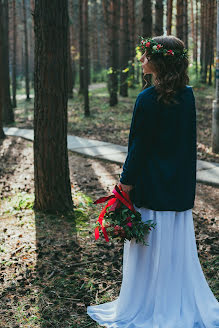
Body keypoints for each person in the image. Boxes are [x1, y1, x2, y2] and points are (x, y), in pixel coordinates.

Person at [87, 35, 219, 327]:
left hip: (151, 186)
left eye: (146, 55)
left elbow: (139, 147)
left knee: (149, 249)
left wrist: (126, 183)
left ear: (159, 61)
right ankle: (174, 301)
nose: (141, 60)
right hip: (178, 188)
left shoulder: (147, 98)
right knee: (174, 252)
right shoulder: (188, 95)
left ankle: (148, 303)